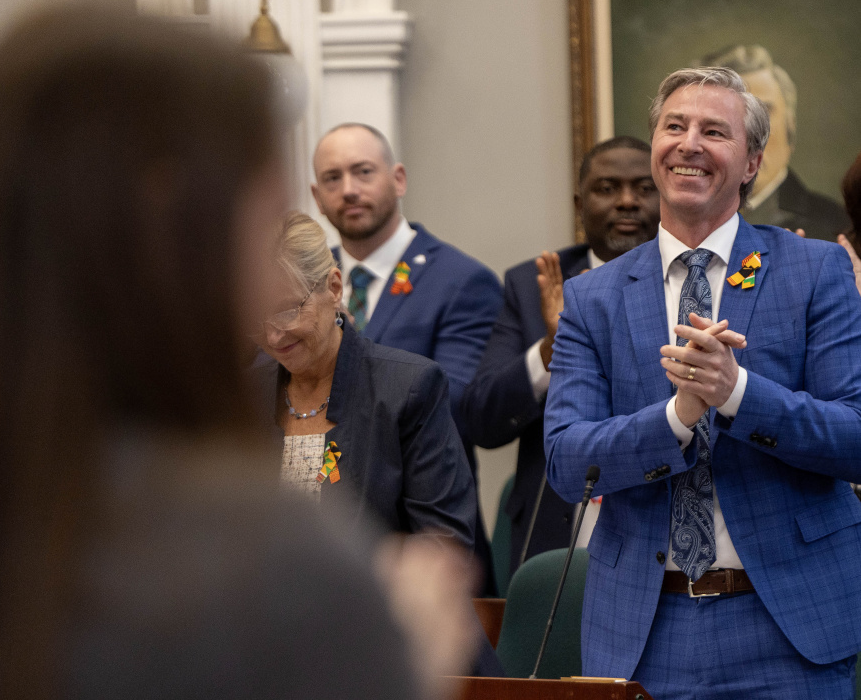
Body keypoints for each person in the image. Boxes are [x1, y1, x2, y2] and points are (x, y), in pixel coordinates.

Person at [0, 1, 470, 700]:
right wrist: (402, 662)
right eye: (265, 200)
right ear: (182, 234)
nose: (269, 312)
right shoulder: (273, 572)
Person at [545, 67, 861, 699]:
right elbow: (565, 461)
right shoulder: (592, 298)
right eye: (674, 127)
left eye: (714, 131)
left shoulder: (815, 269)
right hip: (644, 629)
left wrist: (737, 393)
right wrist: (678, 417)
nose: (688, 143)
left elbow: (854, 436)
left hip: (786, 628)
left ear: (751, 163)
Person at [311, 122, 503, 590]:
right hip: (322, 542)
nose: (350, 190)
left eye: (363, 172)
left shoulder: (460, 280)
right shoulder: (306, 287)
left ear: (397, 179)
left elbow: (453, 406)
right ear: (316, 196)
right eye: (333, 179)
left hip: (424, 538)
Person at [462, 136, 660, 577]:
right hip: (553, 536)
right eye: (607, 188)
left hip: (658, 528)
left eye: (644, 188)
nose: (627, 202)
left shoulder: (688, 282)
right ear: (579, 203)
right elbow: (480, 419)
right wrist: (553, 349)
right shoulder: (530, 286)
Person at [249, 212, 477, 548]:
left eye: (287, 310)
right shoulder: (245, 394)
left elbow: (444, 545)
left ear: (334, 288)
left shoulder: (408, 390)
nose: (272, 336)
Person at [700, 44, 849, 240]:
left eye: (764, 112)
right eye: (725, 114)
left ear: (790, 127)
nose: (747, 131)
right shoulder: (668, 216)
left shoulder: (834, 227)